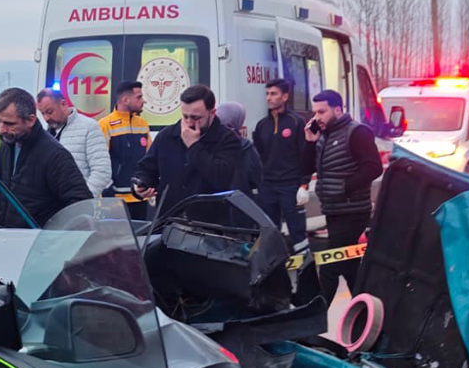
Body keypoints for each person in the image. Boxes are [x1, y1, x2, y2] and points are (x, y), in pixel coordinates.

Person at [307, 89, 382, 305]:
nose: (317, 117)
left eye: (322, 112)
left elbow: (374, 167)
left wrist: (344, 187)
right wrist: (310, 142)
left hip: (353, 210)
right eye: (315, 112)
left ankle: (316, 316)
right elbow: (306, 167)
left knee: (330, 265)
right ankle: (367, 309)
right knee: (350, 266)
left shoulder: (356, 132)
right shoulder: (324, 136)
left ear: (338, 110)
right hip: (333, 210)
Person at [132, 85, 241, 221]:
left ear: (212, 113)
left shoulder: (228, 139)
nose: (189, 123)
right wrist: (141, 185)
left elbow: (222, 178)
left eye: (196, 118)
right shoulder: (167, 136)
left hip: (210, 222)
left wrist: (194, 146)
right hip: (170, 220)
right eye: (185, 116)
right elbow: (147, 168)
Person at [0, 87, 92, 228]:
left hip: (41, 238)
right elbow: (0, 189)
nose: (2, 129)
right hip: (9, 236)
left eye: (10, 124)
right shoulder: (7, 146)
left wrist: (52, 235)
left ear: (30, 120)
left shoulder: (55, 155)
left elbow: (81, 205)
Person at [252, 79, 313, 250]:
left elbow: (306, 155)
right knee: (269, 232)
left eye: (273, 94)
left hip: (290, 185)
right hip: (268, 186)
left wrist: (304, 184)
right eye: (267, 94)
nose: (268, 98)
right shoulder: (262, 125)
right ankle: (274, 263)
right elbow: (258, 156)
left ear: (285, 97)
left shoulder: (296, 122)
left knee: (297, 232)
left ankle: (304, 262)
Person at [36, 88, 111, 196]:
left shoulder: (89, 127)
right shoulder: (45, 133)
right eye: (42, 113)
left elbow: (102, 171)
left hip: (78, 202)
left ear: (63, 104)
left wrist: (82, 198)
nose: (46, 118)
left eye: (49, 112)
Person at [98, 80, 151, 215]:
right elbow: (100, 162)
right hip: (114, 200)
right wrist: (107, 193)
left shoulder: (142, 123)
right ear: (126, 100)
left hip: (139, 197)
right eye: (139, 97)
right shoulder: (105, 125)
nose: (143, 101)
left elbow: (149, 158)